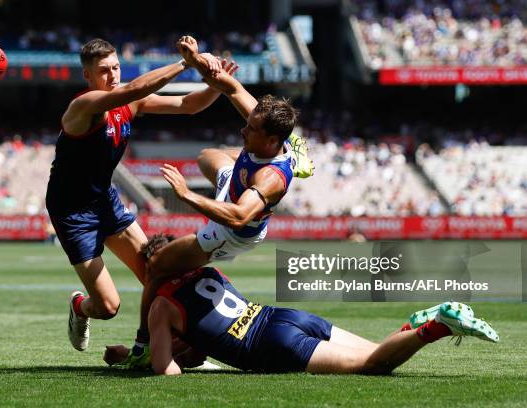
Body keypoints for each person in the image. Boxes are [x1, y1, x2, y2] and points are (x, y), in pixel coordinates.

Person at [124, 36, 313, 362]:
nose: (243, 131)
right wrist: (196, 59)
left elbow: (239, 217)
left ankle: (140, 348)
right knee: (206, 156)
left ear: (271, 141)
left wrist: (186, 195)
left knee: (156, 266)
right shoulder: (261, 127)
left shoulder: (270, 178)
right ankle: (293, 147)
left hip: (233, 232)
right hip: (237, 187)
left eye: (251, 130)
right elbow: (226, 84)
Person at [45, 36, 236, 352]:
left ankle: (167, 343)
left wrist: (217, 84)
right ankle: (80, 307)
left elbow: (189, 105)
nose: (113, 75)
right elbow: (133, 89)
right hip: (73, 213)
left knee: (156, 271)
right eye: (104, 70)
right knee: (108, 307)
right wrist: (184, 63)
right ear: (88, 77)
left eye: (117, 67)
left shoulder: (129, 102)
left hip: (105, 200)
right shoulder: (82, 106)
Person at [106, 234, 499, 375]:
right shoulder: (209, 274)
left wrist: (138, 359)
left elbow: (169, 369)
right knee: (378, 354)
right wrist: (132, 354)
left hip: (271, 346)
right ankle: (419, 322)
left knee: (374, 366)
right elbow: (198, 342)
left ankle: (439, 326)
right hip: (280, 316)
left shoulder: (160, 304)